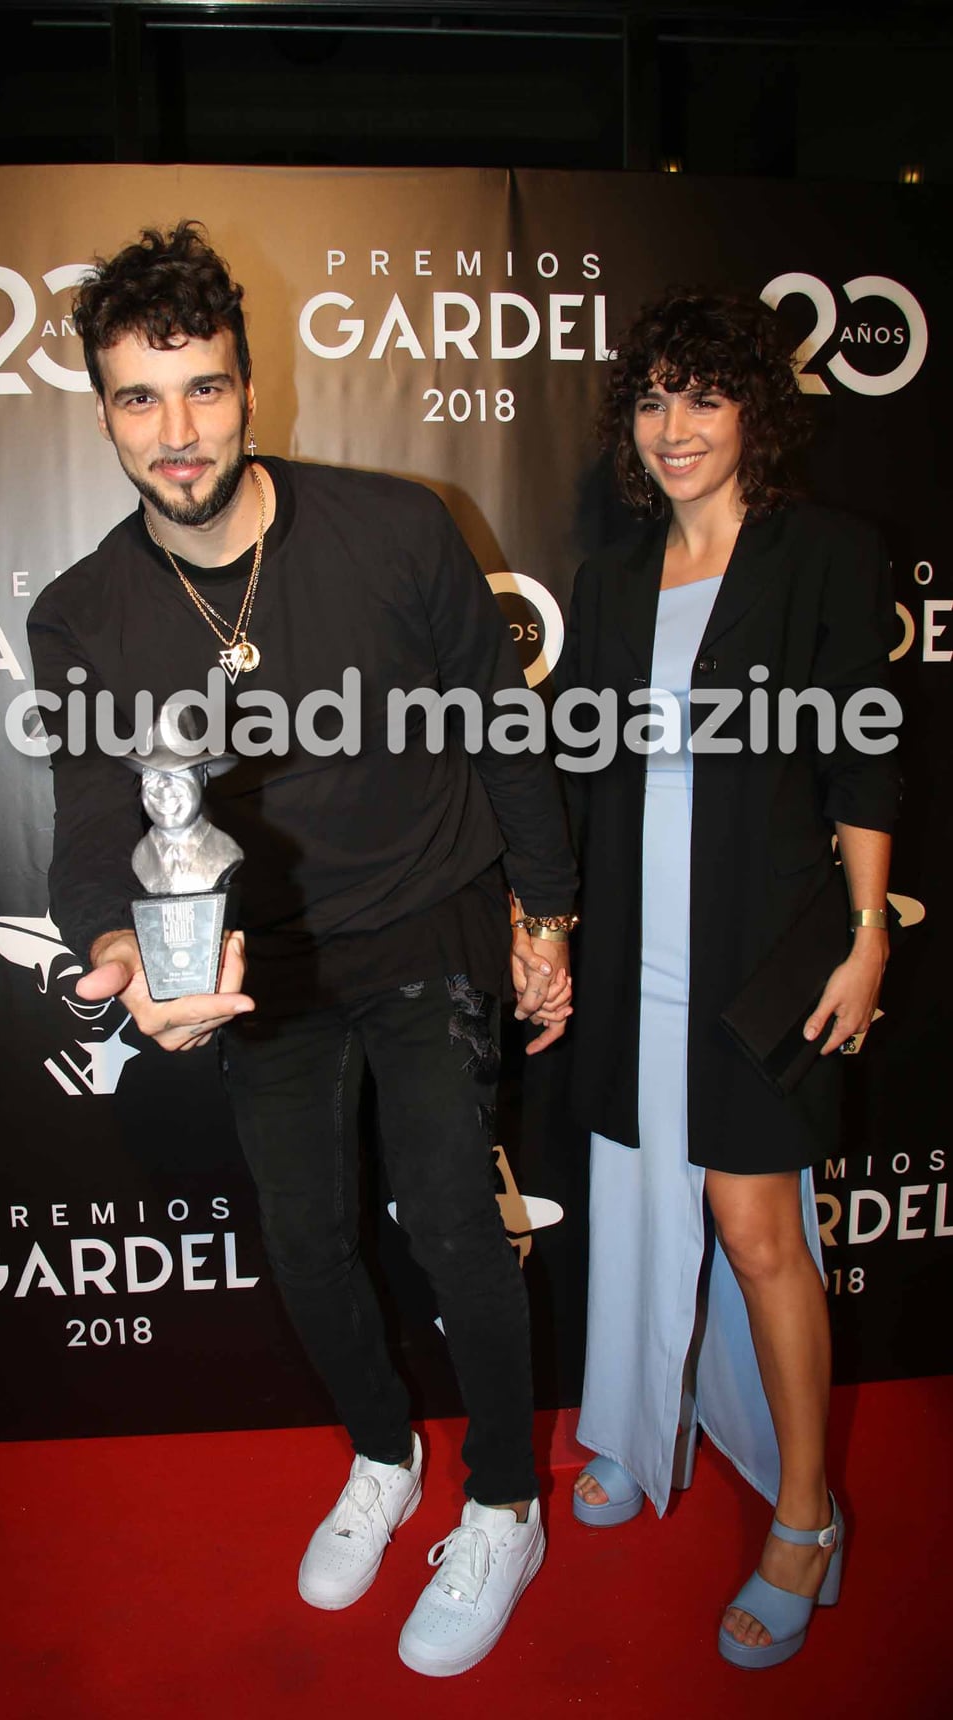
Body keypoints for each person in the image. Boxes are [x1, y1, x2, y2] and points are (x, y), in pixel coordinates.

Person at [26, 222, 576, 1679]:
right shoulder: (81, 614)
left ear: (250, 385)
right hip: (256, 968)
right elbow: (92, 819)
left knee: (459, 1227)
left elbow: (504, 729)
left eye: (202, 389)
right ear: (101, 408)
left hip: (433, 917)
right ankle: (384, 1459)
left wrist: (548, 914)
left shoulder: (396, 526)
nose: (177, 431)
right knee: (312, 1244)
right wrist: (118, 950)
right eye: (140, 399)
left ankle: (508, 1502)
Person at [561, 289, 900, 1668]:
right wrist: (542, 922)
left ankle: (807, 1513)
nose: (674, 427)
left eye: (703, 395)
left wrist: (872, 927)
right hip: (632, 947)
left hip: (762, 956)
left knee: (761, 1230)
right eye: (651, 399)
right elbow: (578, 768)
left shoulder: (824, 553)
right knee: (637, 1202)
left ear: (756, 409)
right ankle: (638, 1436)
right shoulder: (608, 577)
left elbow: (863, 751)